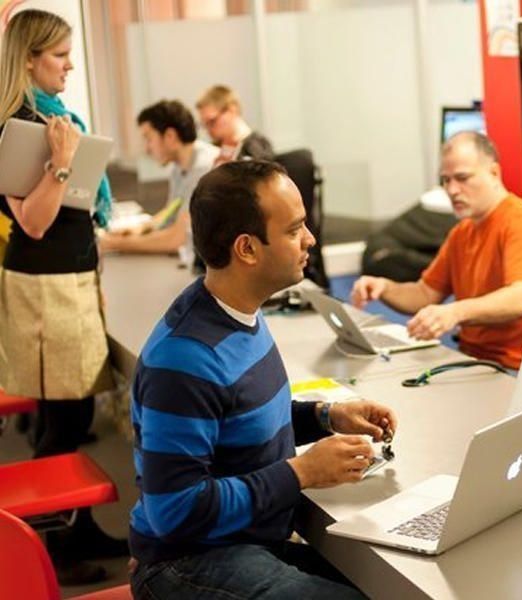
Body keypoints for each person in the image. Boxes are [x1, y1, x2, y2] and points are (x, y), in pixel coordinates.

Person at [129, 160, 396, 599]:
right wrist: (303, 472)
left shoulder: (238, 311)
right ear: (247, 249)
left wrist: (326, 417)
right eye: (294, 230)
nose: (310, 239)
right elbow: (173, 511)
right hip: (186, 561)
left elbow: (237, 420)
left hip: (244, 543)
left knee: (386, 588)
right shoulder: (184, 358)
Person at [0, 8, 126, 584]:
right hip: (43, 285)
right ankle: (53, 544)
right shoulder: (17, 128)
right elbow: (33, 222)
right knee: (65, 415)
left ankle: (75, 528)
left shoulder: (55, 119)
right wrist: (62, 164)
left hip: (69, 279)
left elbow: (75, 211)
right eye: (60, 55)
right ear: (29, 60)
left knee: (73, 410)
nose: (70, 65)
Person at [351, 132, 522, 370]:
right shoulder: (462, 232)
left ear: (494, 173)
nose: (452, 190)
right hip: (478, 361)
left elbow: (521, 300)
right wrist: (385, 288)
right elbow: (425, 294)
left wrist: (455, 312)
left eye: (462, 178)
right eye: (446, 180)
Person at [99, 100, 218, 254]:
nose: (147, 149)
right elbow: (170, 213)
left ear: (170, 136)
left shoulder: (204, 168)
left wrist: (112, 243)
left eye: (149, 139)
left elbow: (177, 238)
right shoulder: (179, 168)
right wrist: (141, 229)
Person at [196, 84, 274, 165]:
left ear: (232, 110)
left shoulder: (256, 148)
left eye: (212, 121)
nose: (208, 129)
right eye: (204, 124)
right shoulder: (213, 149)